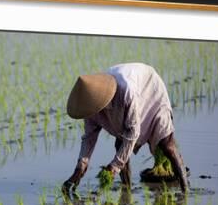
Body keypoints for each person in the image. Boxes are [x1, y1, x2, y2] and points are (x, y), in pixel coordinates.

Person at [62, 62, 189, 193]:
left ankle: (185, 188)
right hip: (127, 102)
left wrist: (114, 167)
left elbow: (133, 132)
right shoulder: (89, 107)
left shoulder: (125, 92)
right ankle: (127, 191)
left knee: (166, 144)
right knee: (120, 145)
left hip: (148, 88)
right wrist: (80, 168)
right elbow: (89, 138)